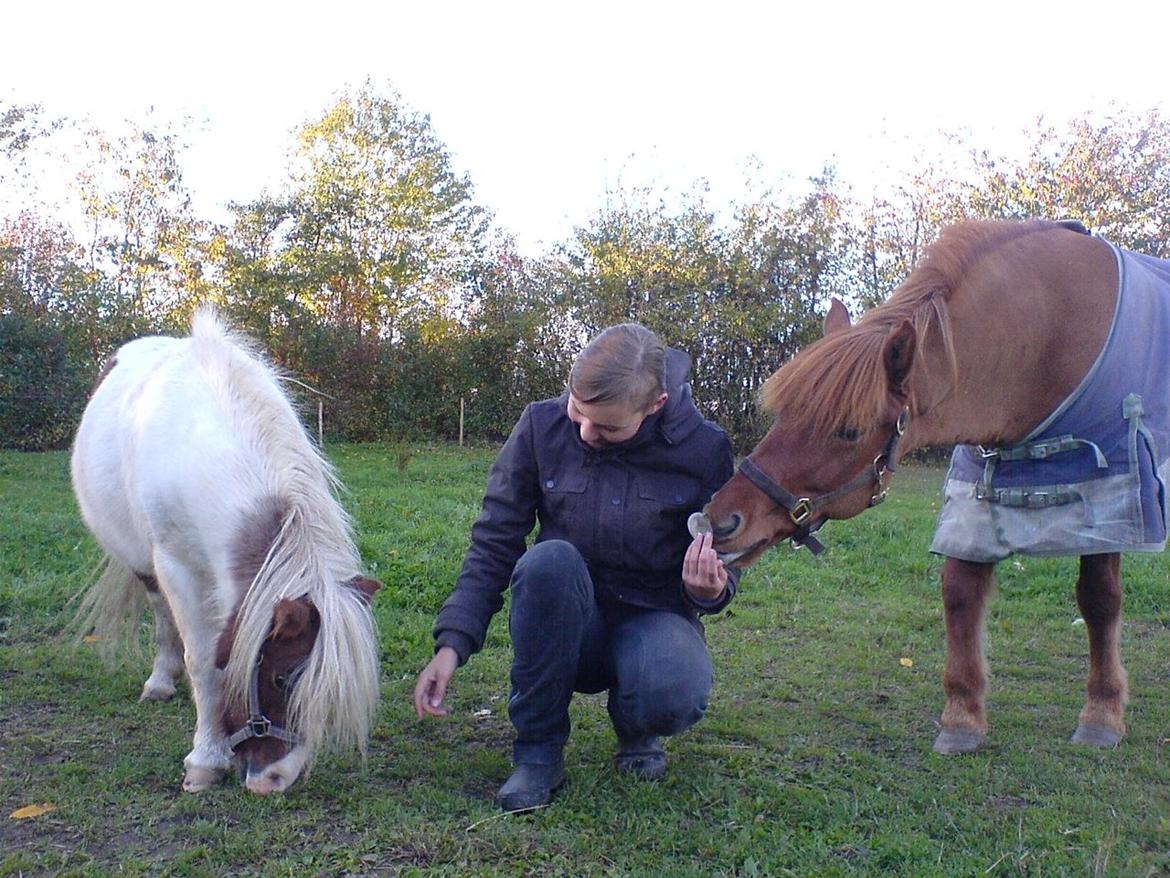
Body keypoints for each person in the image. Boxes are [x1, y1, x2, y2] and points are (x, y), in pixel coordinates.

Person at [413, 323, 739, 812]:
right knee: (549, 560)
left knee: (672, 690)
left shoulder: (706, 450)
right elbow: (494, 541)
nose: (586, 433)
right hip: (564, 617)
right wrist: (452, 644)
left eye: (607, 427)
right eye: (578, 412)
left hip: (653, 617)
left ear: (655, 405)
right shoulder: (540, 427)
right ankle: (538, 754)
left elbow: (728, 561)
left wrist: (710, 590)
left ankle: (637, 727)